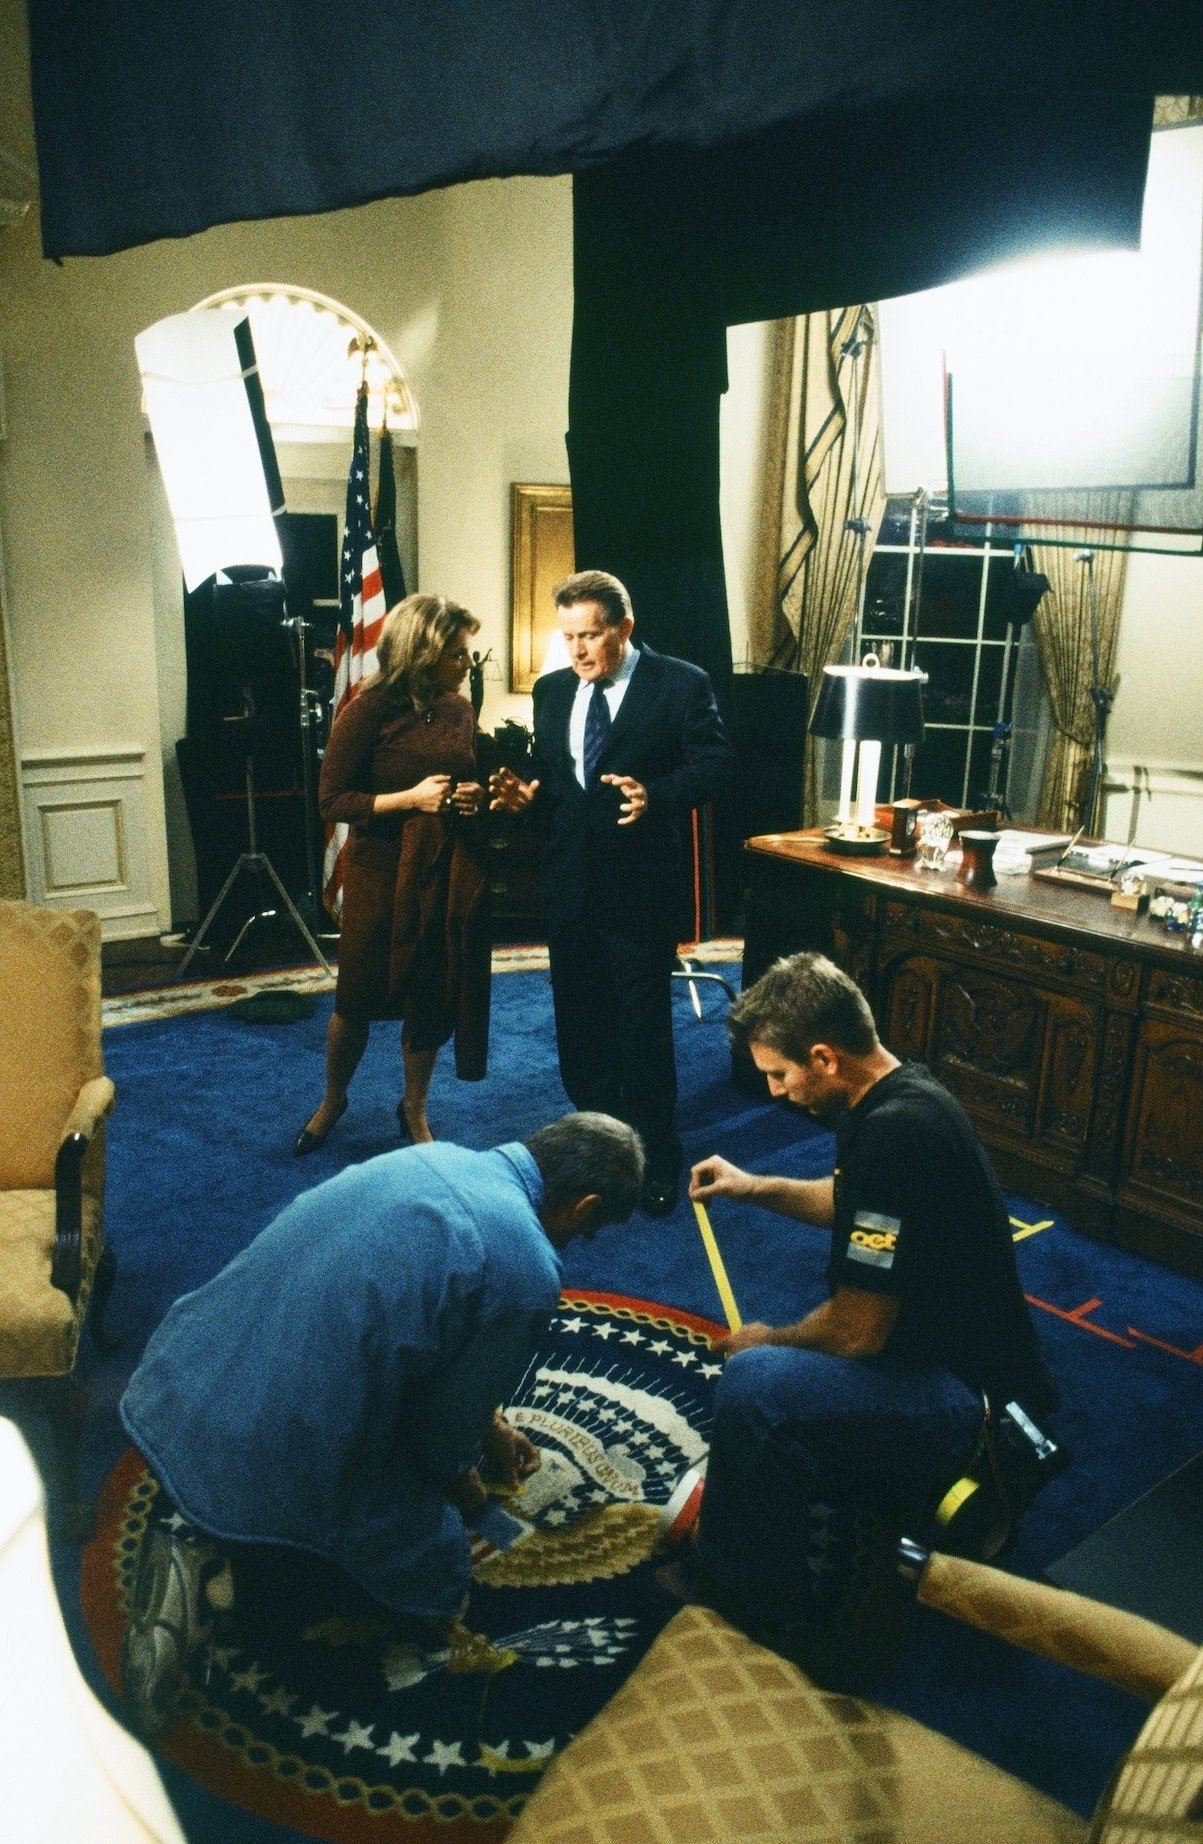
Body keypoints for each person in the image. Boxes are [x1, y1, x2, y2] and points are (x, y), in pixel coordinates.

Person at [119, 1111, 646, 1736]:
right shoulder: (528, 1268)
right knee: (433, 1577)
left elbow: (408, 1325)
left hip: (182, 1378)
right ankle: (224, 1573)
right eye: (587, 1232)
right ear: (584, 1207)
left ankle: (203, 1527)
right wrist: (473, 1503)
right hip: (272, 1443)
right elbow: (437, 1440)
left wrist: (491, 1425)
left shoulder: (432, 1157)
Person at [683, 951, 1058, 1644]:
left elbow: (857, 1331)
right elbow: (853, 1205)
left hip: (967, 1401)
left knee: (754, 1384)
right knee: (781, 1367)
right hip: (948, 1362)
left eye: (779, 1073)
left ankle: (748, 1601)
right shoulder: (890, 1095)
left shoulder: (894, 1134)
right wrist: (749, 1184)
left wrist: (769, 1340)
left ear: (822, 1057)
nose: (772, 1093)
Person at [489, 569, 735, 1217]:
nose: (576, 650)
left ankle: (655, 1148)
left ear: (623, 629)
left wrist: (658, 797)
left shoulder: (680, 684)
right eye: (567, 636)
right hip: (568, 884)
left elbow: (714, 765)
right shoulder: (549, 691)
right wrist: (526, 794)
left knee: (641, 1025)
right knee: (578, 1017)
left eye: (590, 635)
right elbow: (552, 777)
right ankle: (600, 1138)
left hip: (640, 887)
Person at [296, 593, 490, 1153]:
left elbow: (463, 775)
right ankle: (334, 1100)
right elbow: (331, 800)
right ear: (422, 652)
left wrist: (470, 795)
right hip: (379, 875)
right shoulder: (366, 710)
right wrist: (408, 799)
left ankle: (414, 1109)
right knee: (356, 1000)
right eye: (457, 654)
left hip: (438, 870)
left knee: (428, 995)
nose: (465, 664)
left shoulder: (457, 708)